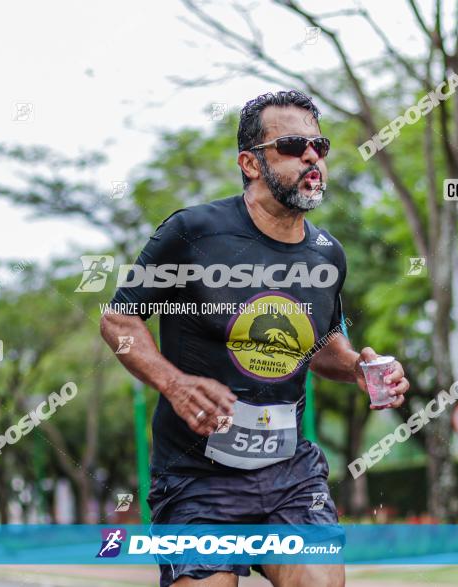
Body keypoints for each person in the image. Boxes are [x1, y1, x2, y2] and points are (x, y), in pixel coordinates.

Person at [100, 90, 410, 587]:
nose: (312, 157)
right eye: (292, 146)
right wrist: (175, 385)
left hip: (289, 473)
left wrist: (355, 366)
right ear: (249, 163)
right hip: (196, 477)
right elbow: (119, 322)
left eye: (319, 146)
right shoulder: (193, 233)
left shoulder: (327, 256)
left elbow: (321, 345)